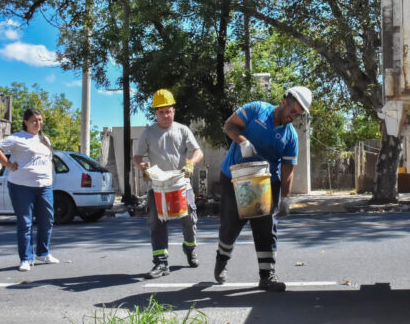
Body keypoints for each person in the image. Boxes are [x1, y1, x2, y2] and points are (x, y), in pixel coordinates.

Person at [214, 86, 312, 292]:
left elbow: (287, 169)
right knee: (231, 226)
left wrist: (285, 198)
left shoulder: (290, 136)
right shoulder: (256, 109)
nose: (293, 117)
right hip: (235, 176)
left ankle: (267, 276)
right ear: (284, 101)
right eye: (293, 111)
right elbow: (229, 125)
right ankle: (222, 260)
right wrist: (242, 142)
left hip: (266, 183)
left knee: (266, 229)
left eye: (298, 115)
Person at [133, 89, 204, 279]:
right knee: (157, 223)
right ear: (155, 113)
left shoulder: (182, 130)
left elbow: (198, 152)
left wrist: (191, 162)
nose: (166, 115)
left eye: (169, 111)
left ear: (174, 111)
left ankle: (190, 248)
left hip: (181, 184)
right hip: (157, 186)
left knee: (190, 220)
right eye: (162, 112)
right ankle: (161, 263)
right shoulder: (148, 133)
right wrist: (144, 168)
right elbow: (137, 158)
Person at [0, 108, 58, 272]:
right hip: (21, 186)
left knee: (47, 220)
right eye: (34, 120)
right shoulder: (17, 138)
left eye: (40, 120)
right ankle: (26, 258)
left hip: (44, 186)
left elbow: (49, 159)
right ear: (25, 122)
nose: (38, 123)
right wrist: (8, 165)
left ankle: (43, 252)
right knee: (25, 223)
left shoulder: (44, 139)